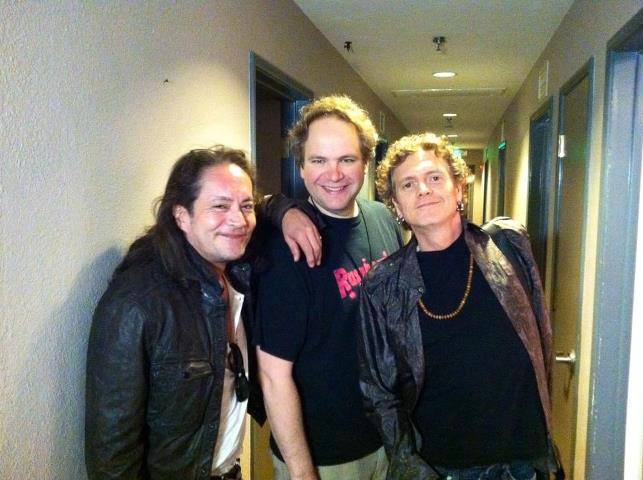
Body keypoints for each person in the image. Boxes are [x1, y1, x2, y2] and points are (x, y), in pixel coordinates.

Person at [85, 146, 320, 480]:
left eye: (245, 206)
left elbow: (266, 206)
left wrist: (286, 212)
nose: (239, 220)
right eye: (219, 206)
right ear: (182, 216)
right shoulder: (137, 303)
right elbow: (112, 452)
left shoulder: (236, 271)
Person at [358, 133, 558, 480]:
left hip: (523, 463)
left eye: (434, 177)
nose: (423, 190)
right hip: (441, 467)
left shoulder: (508, 245)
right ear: (397, 206)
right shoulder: (383, 285)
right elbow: (378, 391)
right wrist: (411, 466)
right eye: (408, 184)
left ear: (459, 189)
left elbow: (541, 337)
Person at [254, 95, 403, 480]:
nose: (333, 174)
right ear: (301, 168)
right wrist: (303, 472)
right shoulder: (285, 250)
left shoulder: (382, 219)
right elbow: (273, 376)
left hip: (387, 438)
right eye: (319, 160)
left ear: (366, 163)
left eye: (347, 159)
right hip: (326, 457)